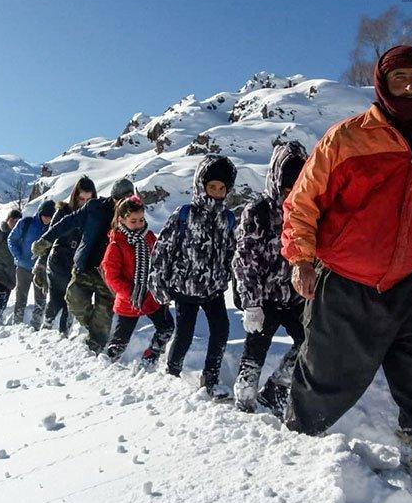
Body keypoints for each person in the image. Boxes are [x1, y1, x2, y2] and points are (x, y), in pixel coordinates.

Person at [281, 45, 412, 490]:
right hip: (346, 280)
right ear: (382, 84)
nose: (407, 86)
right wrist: (302, 259)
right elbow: (302, 204)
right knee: (329, 374)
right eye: (398, 78)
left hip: (410, 283)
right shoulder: (345, 138)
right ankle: (300, 443)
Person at [149, 154, 237, 397]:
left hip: (214, 288)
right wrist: (158, 282)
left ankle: (211, 378)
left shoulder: (228, 218)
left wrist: (228, 277)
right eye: (212, 187)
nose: (217, 192)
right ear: (201, 186)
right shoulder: (184, 214)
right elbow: (163, 250)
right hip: (184, 287)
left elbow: (231, 252)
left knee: (221, 330)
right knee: (185, 333)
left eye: (222, 188)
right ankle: (172, 371)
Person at [232, 141, 308, 417]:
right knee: (254, 352)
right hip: (263, 299)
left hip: (297, 298)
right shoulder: (258, 212)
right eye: (288, 187)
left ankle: (275, 390)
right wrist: (251, 304)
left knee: (309, 346)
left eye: (299, 185)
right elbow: (245, 262)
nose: (292, 193)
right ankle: (244, 400)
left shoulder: (308, 211)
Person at [32, 178, 136, 352]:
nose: (124, 206)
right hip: (85, 267)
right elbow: (67, 222)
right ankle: (95, 329)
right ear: (114, 197)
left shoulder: (132, 217)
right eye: (121, 201)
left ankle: (94, 349)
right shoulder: (94, 207)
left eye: (128, 201)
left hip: (109, 276)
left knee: (103, 320)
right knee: (73, 301)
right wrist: (46, 240)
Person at [101, 196, 174, 367]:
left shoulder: (148, 237)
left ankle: (150, 358)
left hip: (151, 296)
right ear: (121, 219)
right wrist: (131, 293)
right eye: (133, 221)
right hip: (129, 299)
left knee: (166, 327)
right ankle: (108, 364)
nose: (139, 224)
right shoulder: (116, 244)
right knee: (120, 340)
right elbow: (112, 276)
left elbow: (158, 261)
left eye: (141, 220)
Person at [36, 176, 97, 336]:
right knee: (56, 300)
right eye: (81, 198)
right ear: (75, 196)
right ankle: (47, 326)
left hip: (77, 265)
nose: (84, 203)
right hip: (58, 262)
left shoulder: (93, 216)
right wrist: (41, 264)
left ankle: (64, 333)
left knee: (70, 302)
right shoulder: (63, 211)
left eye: (88, 199)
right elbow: (49, 236)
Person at [7, 201, 54, 328]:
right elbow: (11, 239)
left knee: (41, 300)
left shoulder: (53, 227)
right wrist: (18, 256)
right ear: (40, 213)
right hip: (23, 267)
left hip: (42, 269)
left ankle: (35, 326)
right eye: (45, 216)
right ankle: (17, 324)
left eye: (50, 217)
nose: (47, 219)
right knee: (21, 297)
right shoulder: (26, 223)